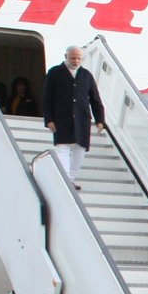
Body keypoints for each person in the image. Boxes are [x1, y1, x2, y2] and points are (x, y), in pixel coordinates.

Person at [43, 44, 105, 189]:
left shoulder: (86, 75)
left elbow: (95, 99)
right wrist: (49, 119)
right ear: (66, 57)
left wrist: (100, 120)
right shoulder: (54, 73)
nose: (76, 61)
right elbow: (47, 98)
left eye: (79, 58)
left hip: (82, 119)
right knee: (62, 148)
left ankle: (71, 177)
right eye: (73, 58)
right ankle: (65, 180)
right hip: (61, 118)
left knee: (80, 149)